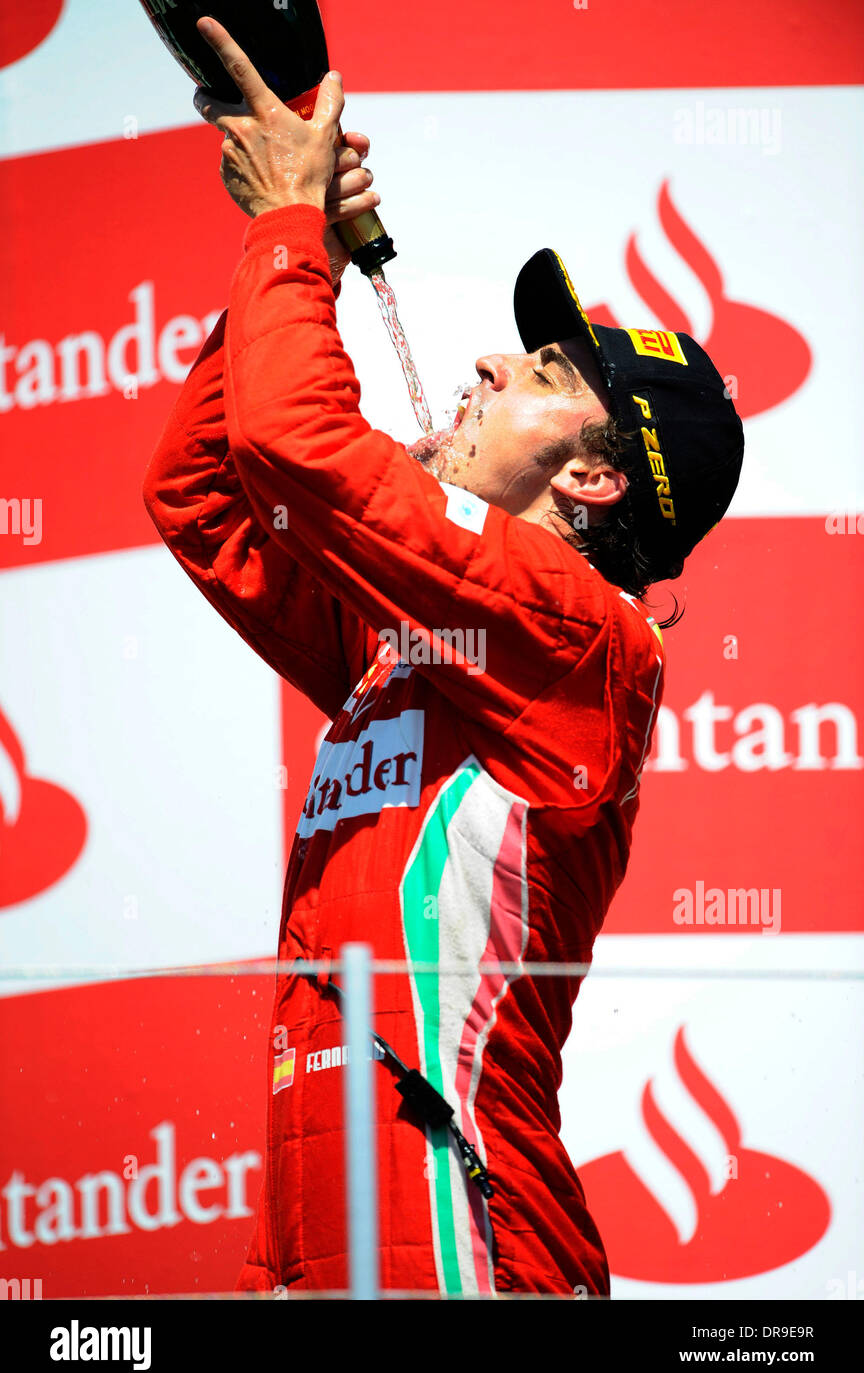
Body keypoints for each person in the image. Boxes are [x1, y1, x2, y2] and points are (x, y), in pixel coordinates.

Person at [143, 18, 744, 1297]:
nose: (483, 362)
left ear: (591, 474)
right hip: (323, 1249)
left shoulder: (580, 640)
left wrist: (295, 227)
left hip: (470, 1245)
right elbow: (202, 490)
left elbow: (297, 449)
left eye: (533, 370)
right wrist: (280, 227)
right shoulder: (428, 640)